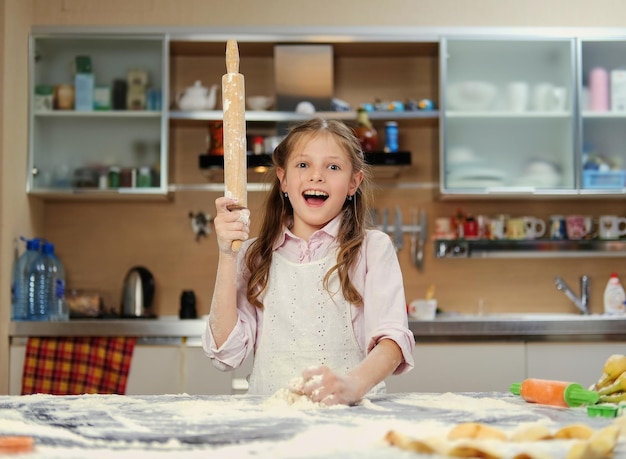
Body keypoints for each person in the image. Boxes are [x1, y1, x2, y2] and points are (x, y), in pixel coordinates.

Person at [202, 118, 415, 406]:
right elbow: (225, 355)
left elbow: (393, 340)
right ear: (283, 179)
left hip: (352, 419)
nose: (317, 176)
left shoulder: (372, 249)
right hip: (272, 418)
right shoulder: (253, 255)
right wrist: (228, 254)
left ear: (354, 182)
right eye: (303, 165)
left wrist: (352, 385)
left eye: (333, 167)